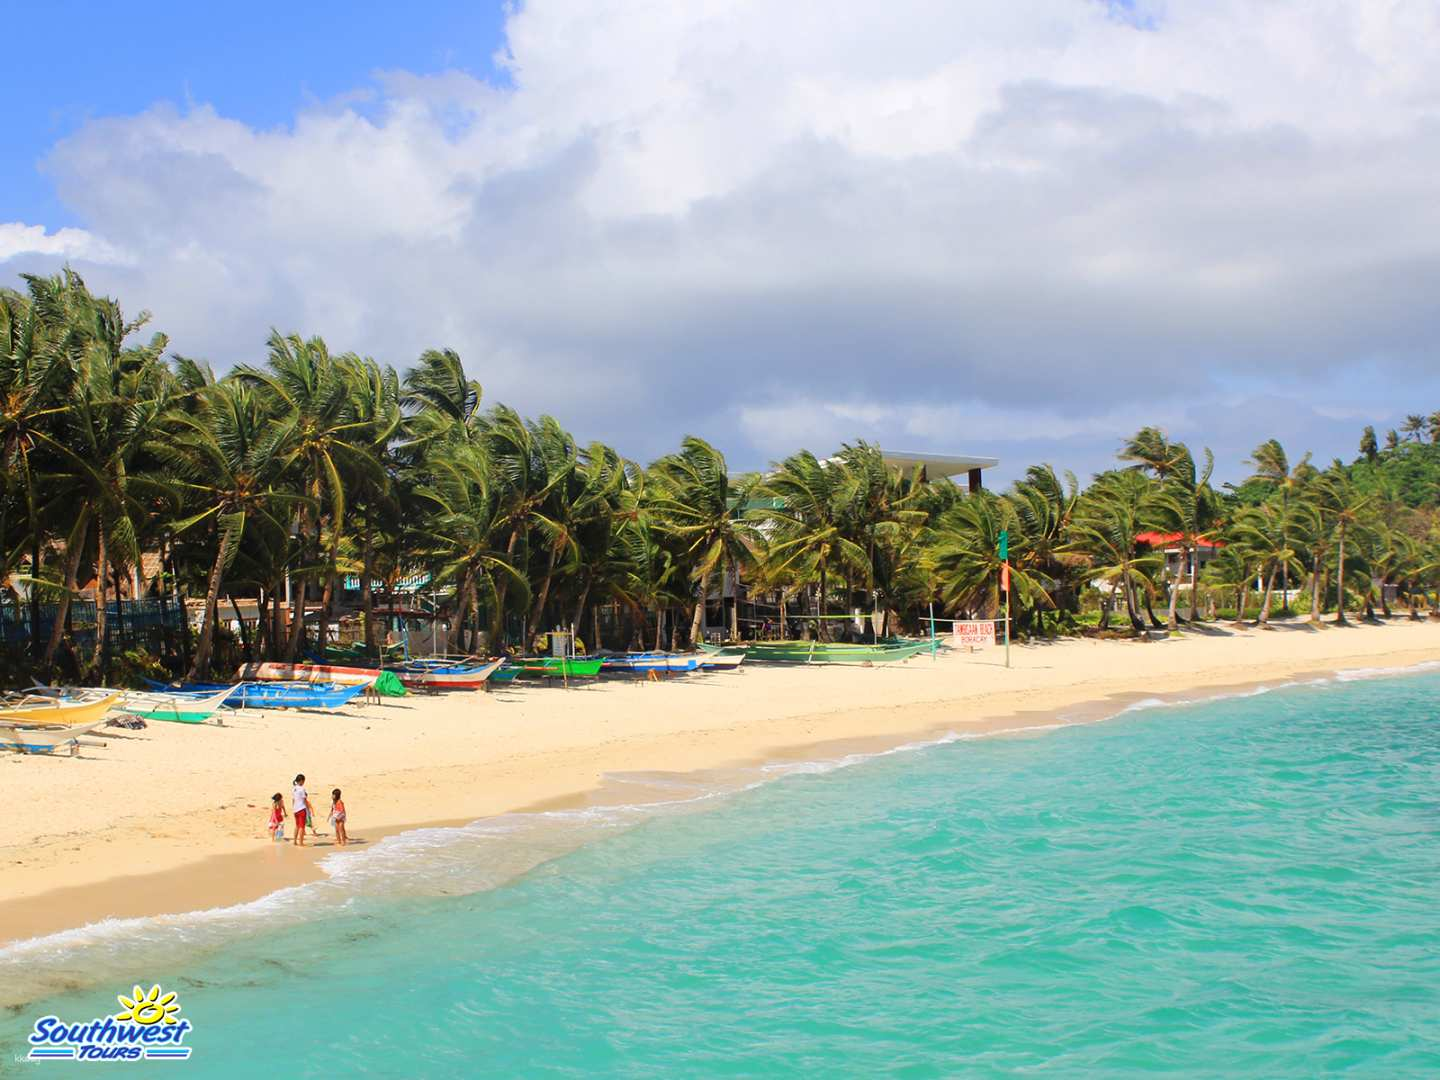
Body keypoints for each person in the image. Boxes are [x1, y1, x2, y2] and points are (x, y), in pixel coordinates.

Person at [291, 774, 313, 847]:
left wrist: (293, 808)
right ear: (301, 781)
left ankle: (294, 841)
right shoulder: (302, 789)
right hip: (301, 808)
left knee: (297, 826)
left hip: (295, 809)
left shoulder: (294, 788)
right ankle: (301, 842)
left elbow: (293, 800)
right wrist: (308, 809)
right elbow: (304, 800)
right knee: (302, 826)